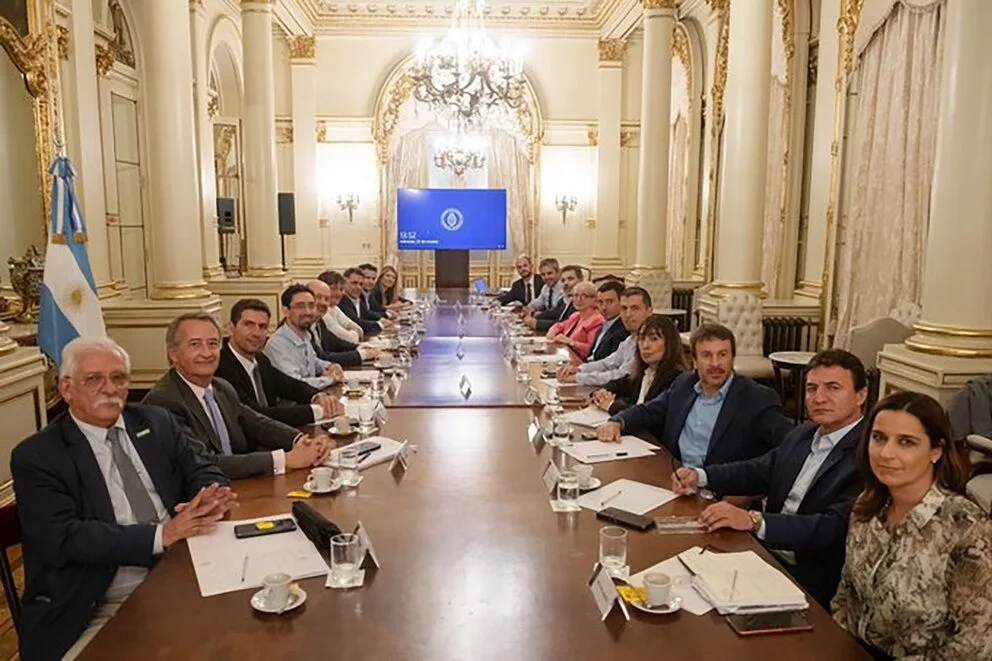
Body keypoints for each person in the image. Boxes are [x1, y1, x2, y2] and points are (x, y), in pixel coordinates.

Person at [12, 338, 235, 660]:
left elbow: (201, 467)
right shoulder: (38, 456)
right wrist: (163, 534)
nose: (109, 388)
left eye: (118, 378)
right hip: (97, 599)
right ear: (66, 388)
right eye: (94, 379)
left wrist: (209, 495)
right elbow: (63, 538)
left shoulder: (155, 422)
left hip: (183, 569)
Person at [673, 349, 868, 609]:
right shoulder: (804, 434)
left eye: (833, 388)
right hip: (765, 555)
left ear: (860, 395)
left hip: (808, 579)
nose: (819, 398)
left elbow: (831, 528)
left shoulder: (868, 454)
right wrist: (700, 476)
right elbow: (760, 470)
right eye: (811, 389)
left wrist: (754, 521)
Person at [831, 392, 992, 659]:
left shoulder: (967, 529)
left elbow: (975, 645)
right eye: (879, 438)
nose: (886, 453)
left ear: (936, 451)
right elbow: (846, 595)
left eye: (906, 442)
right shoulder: (866, 505)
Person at [143, 312, 329, 480]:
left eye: (213, 344)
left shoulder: (221, 387)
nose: (207, 353)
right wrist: (284, 459)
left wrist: (301, 441)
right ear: (173, 354)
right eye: (195, 345)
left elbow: (257, 423)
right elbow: (202, 461)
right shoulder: (163, 402)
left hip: (239, 487)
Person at [597, 323, 792, 467]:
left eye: (723, 355)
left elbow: (787, 451)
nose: (715, 364)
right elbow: (650, 410)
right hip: (675, 478)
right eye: (707, 356)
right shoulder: (684, 384)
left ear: (732, 357)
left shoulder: (757, 398)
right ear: (695, 360)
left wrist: (748, 495)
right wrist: (617, 421)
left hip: (720, 492)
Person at [216, 298, 344, 427]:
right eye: (248, 325)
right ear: (231, 328)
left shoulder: (260, 359)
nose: (256, 333)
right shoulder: (221, 366)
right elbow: (256, 414)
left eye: (262, 326)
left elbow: (288, 384)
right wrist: (317, 411)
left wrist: (317, 396)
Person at [591, 314, 686, 415]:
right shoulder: (645, 372)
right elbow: (620, 384)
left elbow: (648, 414)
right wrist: (603, 391)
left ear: (669, 343)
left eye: (654, 339)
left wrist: (611, 405)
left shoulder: (676, 379)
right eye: (641, 339)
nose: (645, 345)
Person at [557, 287, 653, 387]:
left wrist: (579, 377)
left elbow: (622, 375)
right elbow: (607, 363)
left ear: (649, 311)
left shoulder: (650, 342)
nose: (628, 314)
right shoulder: (630, 340)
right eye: (624, 309)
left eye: (635, 308)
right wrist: (579, 369)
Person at [263, 284, 345, 390]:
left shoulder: (305, 334)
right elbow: (296, 383)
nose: (307, 312)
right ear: (286, 311)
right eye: (300, 306)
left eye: (311, 306)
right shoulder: (277, 344)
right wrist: (330, 379)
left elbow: (312, 361)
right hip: (294, 404)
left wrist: (330, 366)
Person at [306, 279, 378, 366]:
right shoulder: (303, 325)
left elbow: (336, 343)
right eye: (318, 297)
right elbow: (322, 358)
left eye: (326, 299)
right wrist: (362, 354)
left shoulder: (319, 322)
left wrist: (358, 347)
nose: (323, 303)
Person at [546, 281, 604, 362]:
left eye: (584, 296)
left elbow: (591, 349)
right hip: (566, 357)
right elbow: (560, 325)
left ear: (594, 299)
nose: (578, 299)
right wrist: (553, 329)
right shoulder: (576, 315)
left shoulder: (597, 320)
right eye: (576, 295)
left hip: (581, 363)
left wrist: (570, 342)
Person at [527, 264, 583, 333]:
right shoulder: (564, 299)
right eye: (563, 280)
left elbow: (567, 324)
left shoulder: (582, 301)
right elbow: (553, 313)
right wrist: (533, 315)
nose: (566, 283)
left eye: (570, 279)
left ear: (581, 280)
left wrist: (537, 324)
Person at [318, 269, 368, 343]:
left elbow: (355, 327)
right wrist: (354, 334)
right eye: (333, 289)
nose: (338, 293)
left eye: (341, 289)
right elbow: (350, 339)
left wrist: (353, 332)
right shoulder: (323, 313)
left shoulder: (334, 308)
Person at [339, 267, 394, 334]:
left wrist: (382, 319)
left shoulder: (356, 299)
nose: (358, 287)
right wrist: (379, 324)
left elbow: (367, 313)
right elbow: (356, 322)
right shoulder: (341, 300)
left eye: (361, 284)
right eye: (354, 283)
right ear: (343, 283)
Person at [586, 280, 629, 362]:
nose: (604, 307)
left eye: (609, 302)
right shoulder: (604, 325)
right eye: (600, 302)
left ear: (622, 302)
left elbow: (610, 365)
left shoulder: (623, 330)